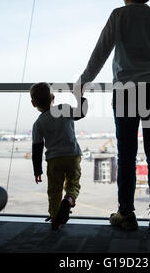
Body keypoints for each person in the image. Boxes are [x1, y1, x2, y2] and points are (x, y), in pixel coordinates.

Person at [75, 0, 150, 231]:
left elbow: (101, 51)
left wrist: (84, 80)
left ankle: (126, 214)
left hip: (127, 91)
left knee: (127, 155)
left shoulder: (119, 16)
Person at [30, 82, 88, 230]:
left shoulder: (38, 124)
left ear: (33, 103)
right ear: (53, 98)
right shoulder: (63, 109)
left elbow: (37, 148)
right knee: (73, 183)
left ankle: (56, 217)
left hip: (54, 159)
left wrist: (37, 170)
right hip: (72, 155)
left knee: (54, 189)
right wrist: (80, 97)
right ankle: (69, 199)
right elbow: (81, 113)